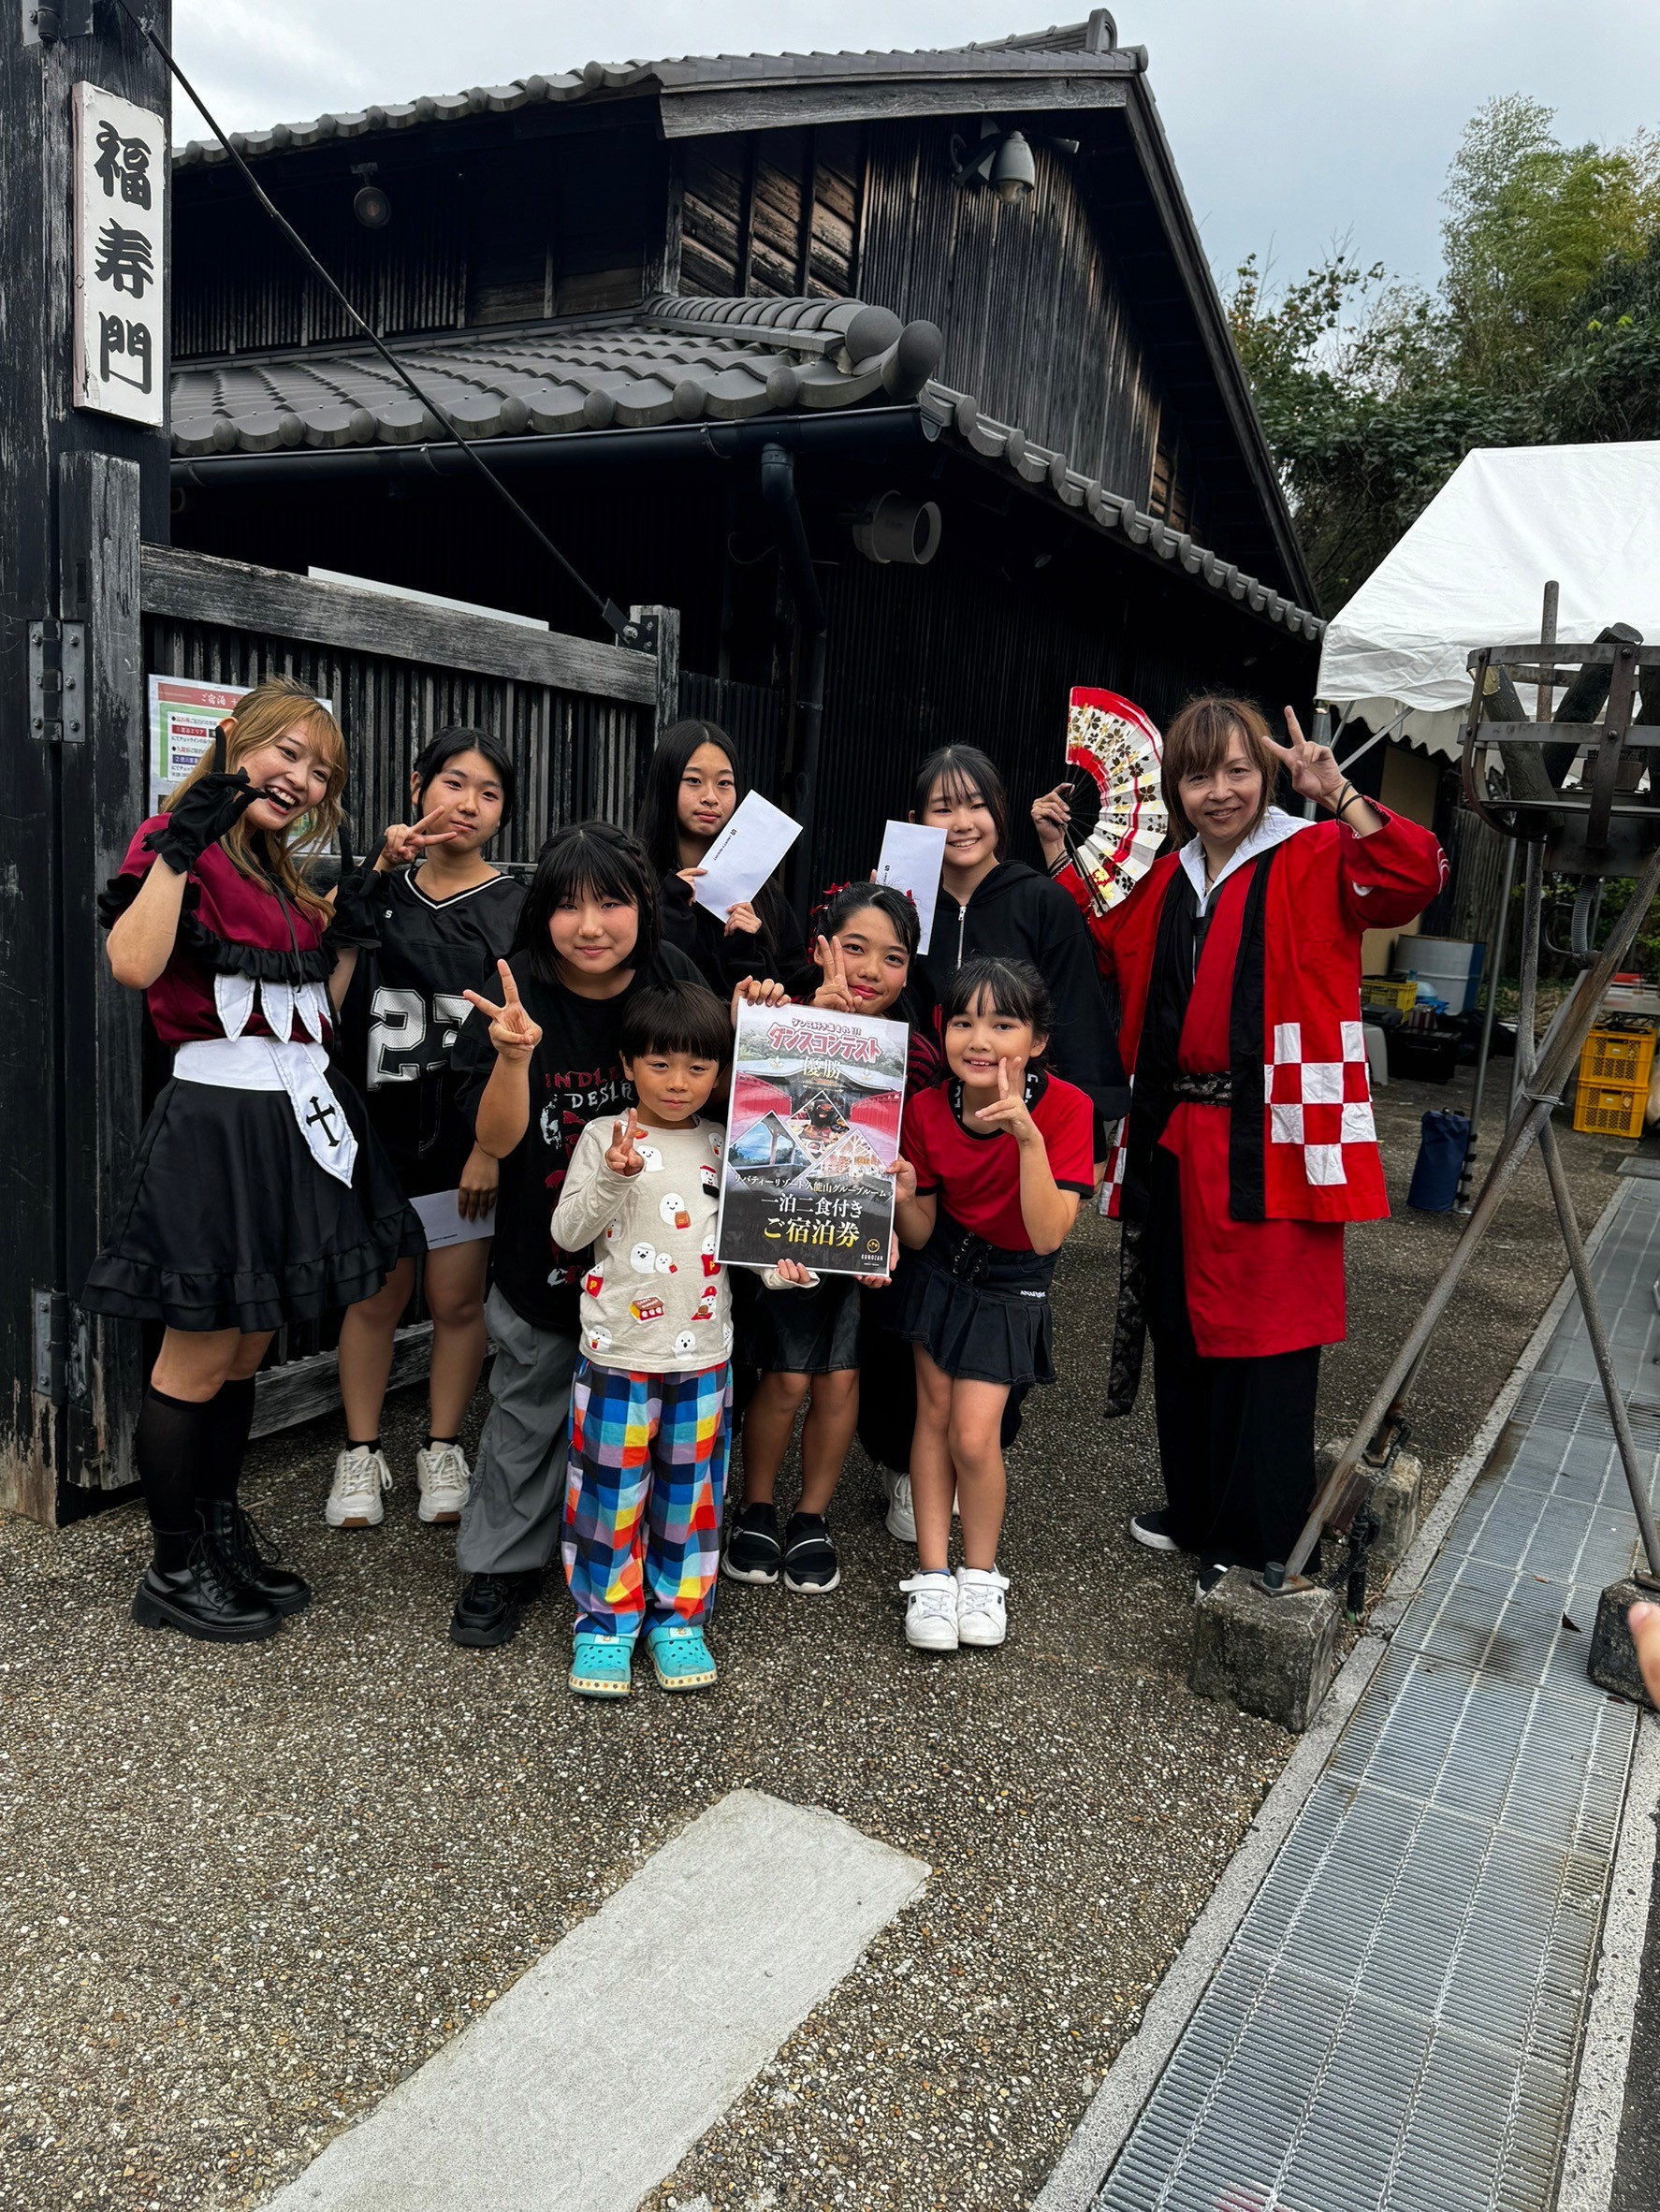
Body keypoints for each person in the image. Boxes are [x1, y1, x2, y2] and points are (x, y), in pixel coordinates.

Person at [1033, 696, 1446, 1594]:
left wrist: (1340, 795)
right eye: (1198, 776)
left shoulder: (1315, 851)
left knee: (1267, 1339)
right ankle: (1195, 1511)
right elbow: (1104, 942)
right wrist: (1062, 856)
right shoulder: (1169, 878)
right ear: (1175, 790)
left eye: (1237, 771)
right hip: (1177, 1132)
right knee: (1181, 1326)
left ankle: (1259, 1537)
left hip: (1280, 1132)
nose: (1218, 792)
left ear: (1267, 776)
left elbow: (1411, 879)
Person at [82, 677, 424, 1642]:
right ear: (237, 740)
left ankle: (218, 1533)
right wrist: (179, 843)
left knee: (243, 1348)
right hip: (216, 1125)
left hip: (290, 1121)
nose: (302, 779)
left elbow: (315, 1011)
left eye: (322, 772)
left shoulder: (280, 875)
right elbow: (134, 965)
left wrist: (363, 895)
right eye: (289, 753)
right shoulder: (175, 843)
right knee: (197, 1353)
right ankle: (173, 1566)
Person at [445, 821, 783, 1651]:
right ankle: (500, 1564)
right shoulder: (517, 987)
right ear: (541, 914)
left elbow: (725, 1094)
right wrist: (512, 1060)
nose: (590, 925)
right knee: (528, 1407)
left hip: (662, 1284)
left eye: (611, 903)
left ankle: (660, 1588)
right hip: (547, 1246)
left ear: (645, 906)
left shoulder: (672, 973)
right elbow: (492, 1139)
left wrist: (759, 1031)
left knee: (659, 1449)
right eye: (567, 905)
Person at [329, 728, 524, 1533]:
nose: (468, 804)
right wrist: (375, 874)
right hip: (375, 1131)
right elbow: (331, 999)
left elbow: (520, 1036)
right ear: (417, 788)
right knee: (375, 1296)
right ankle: (359, 1450)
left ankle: (441, 1446)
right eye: (453, 782)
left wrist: (488, 1148)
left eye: (489, 792)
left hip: (463, 1140)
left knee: (455, 1300)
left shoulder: (516, 908)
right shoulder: (376, 888)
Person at [721, 883, 933, 1594]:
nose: (871, 970)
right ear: (819, 950)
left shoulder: (914, 1056)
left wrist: (892, 1213)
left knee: (841, 1379)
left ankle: (811, 1515)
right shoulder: (777, 1020)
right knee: (784, 1377)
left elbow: (904, 1156)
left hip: (858, 1233)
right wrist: (798, 1024)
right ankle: (756, 1506)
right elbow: (745, 1123)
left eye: (893, 957)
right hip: (781, 1226)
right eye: (855, 948)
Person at [890, 957, 1095, 1653]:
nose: (979, 1040)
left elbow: (1047, 1234)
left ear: (1037, 1041)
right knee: (933, 1417)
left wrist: (1027, 1137)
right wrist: (903, 1194)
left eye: (1003, 1025)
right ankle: (932, 1576)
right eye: (963, 1022)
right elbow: (921, 1232)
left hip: (1013, 1278)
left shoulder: (1068, 1108)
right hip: (943, 1266)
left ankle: (980, 1575)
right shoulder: (926, 1108)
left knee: (975, 1436)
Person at [551, 981, 738, 1695]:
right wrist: (611, 1178)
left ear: (719, 1071)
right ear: (628, 1063)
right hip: (617, 1353)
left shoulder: (728, 1143)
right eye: (660, 1064)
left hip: (705, 1353)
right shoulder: (605, 1136)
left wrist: (796, 1273)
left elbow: (751, 1249)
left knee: (690, 1495)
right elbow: (568, 1232)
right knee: (610, 1492)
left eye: (697, 1066)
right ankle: (604, 1625)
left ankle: (679, 1621)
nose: (678, 1081)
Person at [910, 744, 1129, 1133]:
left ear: (999, 809)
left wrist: (1089, 1134)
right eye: (943, 809)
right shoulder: (906, 909)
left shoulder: (1044, 903)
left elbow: (1079, 1021)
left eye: (977, 805)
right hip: (923, 1127)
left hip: (1029, 1124)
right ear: (916, 821)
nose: (962, 823)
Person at [634, 719, 805, 995]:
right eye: (694, 781)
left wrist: (747, 950)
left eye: (724, 783)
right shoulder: (634, 878)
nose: (711, 797)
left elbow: (794, 989)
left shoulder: (764, 894)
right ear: (665, 784)